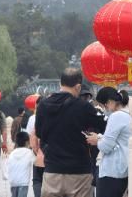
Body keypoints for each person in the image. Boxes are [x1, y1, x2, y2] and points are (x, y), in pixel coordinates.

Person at [35, 68, 107, 197]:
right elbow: (104, 126)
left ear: (60, 84)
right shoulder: (83, 106)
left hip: (52, 170)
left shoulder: (43, 105)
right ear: (78, 86)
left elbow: (40, 133)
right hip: (79, 172)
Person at [87, 87, 131, 197]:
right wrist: (100, 138)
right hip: (122, 170)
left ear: (110, 102)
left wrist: (96, 141)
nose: (104, 108)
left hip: (112, 171)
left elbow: (106, 146)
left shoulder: (116, 116)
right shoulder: (128, 115)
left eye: (103, 105)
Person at [7, 131, 35, 197]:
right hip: (23, 182)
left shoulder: (12, 153)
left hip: (13, 182)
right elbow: (35, 162)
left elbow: (8, 165)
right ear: (27, 142)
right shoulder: (29, 153)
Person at [28, 96, 44, 197]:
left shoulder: (35, 119)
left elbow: (32, 140)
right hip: (56, 159)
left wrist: (36, 151)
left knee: (37, 179)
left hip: (39, 156)